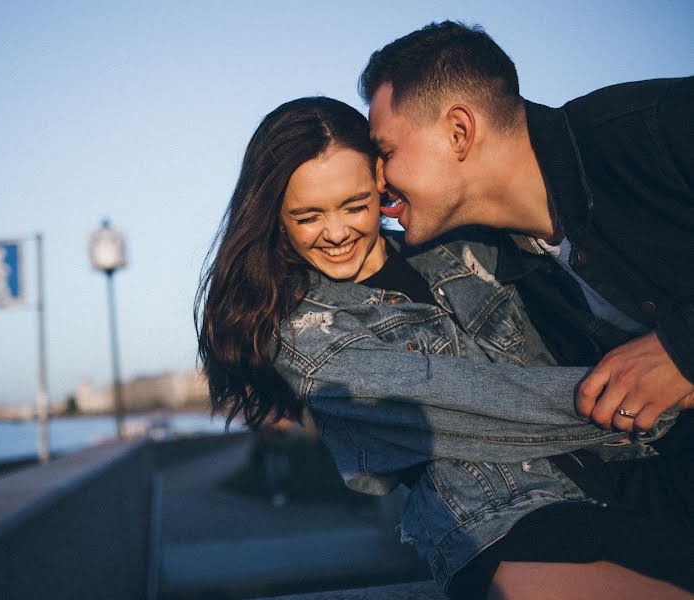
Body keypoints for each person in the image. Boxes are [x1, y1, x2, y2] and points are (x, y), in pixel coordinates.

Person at [196, 96, 693, 598]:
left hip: (636, 463)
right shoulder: (304, 331)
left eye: (354, 204)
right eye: (308, 216)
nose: (337, 232)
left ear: (379, 179)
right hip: (505, 520)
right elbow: (490, 406)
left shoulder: (454, 243)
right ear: (276, 216)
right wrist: (651, 393)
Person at [361, 21, 694, 432]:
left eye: (385, 151)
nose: (376, 181)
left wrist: (681, 350)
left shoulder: (656, 127)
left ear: (458, 132)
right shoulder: (500, 265)